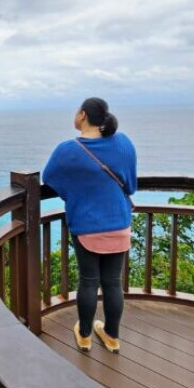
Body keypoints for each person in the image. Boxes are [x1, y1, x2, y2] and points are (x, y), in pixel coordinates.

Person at [42, 97, 137, 354]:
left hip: (87, 225)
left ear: (82, 115)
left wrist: (75, 193)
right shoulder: (123, 144)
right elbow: (131, 185)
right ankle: (111, 337)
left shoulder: (67, 150)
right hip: (118, 223)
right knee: (113, 283)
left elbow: (48, 178)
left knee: (88, 281)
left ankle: (84, 336)